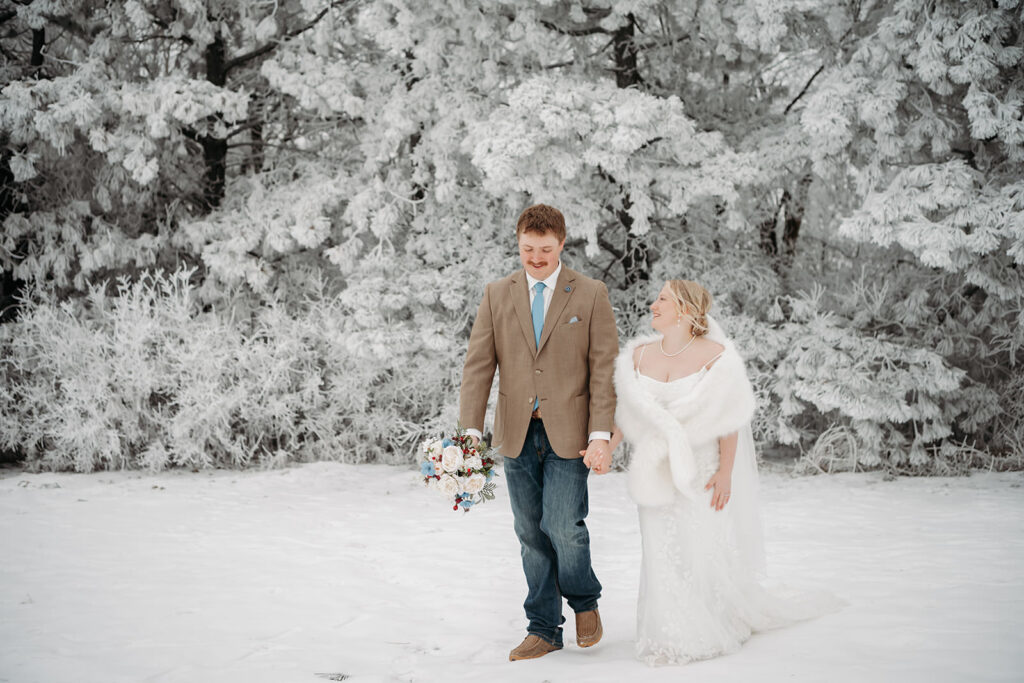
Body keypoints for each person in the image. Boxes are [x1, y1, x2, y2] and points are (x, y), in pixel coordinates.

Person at [605, 279, 841, 665]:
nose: (653, 305)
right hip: (656, 470)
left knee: (699, 545)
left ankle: (711, 621)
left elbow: (728, 419)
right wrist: (606, 447)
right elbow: (626, 414)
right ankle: (665, 631)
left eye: (662, 299)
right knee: (659, 549)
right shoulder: (638, 356)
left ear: (684, 309)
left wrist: (726, 472)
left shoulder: (716, 355)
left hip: (702, 468)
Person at [459, 204, 618, 661]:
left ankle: (585, 601)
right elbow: (478, 367)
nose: (535, 257)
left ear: (562, 244)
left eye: (545, 249)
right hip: (515, 432)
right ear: (518, 243)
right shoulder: (496, 294)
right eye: (527, 248)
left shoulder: (589, 293)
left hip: (571, 434)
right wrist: (470, 430)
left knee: (563, 526)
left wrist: (602, 433)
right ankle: (544, 628)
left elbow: (603, 370)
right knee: (529, 531)